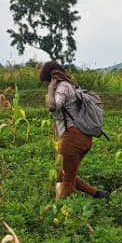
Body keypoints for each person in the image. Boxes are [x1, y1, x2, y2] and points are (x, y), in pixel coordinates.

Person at [41, 61, 109, 200]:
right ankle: (99, 194)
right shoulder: (70, 86)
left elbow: (53, 106)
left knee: (66, 180)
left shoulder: (62, 87)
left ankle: (65, 213)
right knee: (64, 174)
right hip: (82, 137)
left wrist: (51, 88)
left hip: (72, 138)